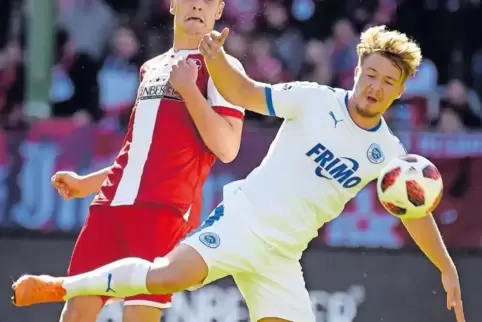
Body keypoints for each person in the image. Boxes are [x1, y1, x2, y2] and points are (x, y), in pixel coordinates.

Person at [12, 25, 465, 322]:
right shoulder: (312, 99)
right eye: (371, 74)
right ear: (357, 72)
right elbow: (246, 92)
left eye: (388, 81)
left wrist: (445, 268)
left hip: (284, 256)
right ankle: (62, 286)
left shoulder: (388, 152)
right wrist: (217, 59)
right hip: (243, 222)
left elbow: (414, 211)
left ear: (401, 90)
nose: (375, 86)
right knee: (169, 276)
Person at [22, 0, 245, 321]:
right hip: (110, 205)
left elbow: (227, 147)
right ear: (172, 5)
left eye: (208, 0)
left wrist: (189, 91)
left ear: (219, 10)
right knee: (75, 313)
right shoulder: (150, 67)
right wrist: (88, 183)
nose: (197, 5)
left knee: (139, 315)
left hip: (165, 209)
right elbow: (139, 150)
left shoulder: (223, 66)